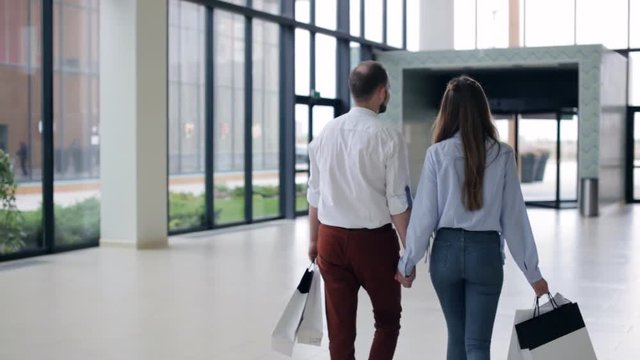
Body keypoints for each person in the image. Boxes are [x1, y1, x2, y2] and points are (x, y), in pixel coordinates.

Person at [396, 76, 549, 360]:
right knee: (477, 344)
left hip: (445, 255)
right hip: (486, 256)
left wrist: (407, 264)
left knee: (457, 337)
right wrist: (533, 273)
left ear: (447, 112)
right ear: (482, 109)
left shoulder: (436, 154)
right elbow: (514, 218)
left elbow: (424, 217)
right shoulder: (503, 154)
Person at [307, 60, 412, 360]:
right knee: (388, 320)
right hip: (374, 243)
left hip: (330, 238)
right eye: (388, 89)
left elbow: (314, 194)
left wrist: (314, 241)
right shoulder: (388, 136)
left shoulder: (325, 133)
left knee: (339, 332)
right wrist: (410, 251)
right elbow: (396, 202)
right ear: (381, 92)